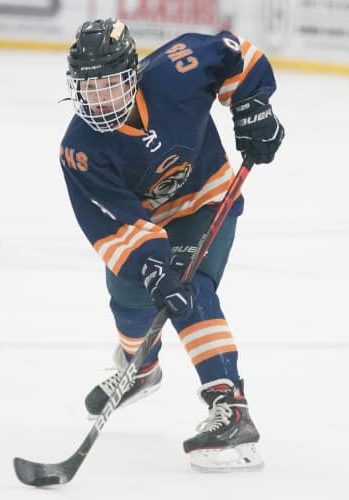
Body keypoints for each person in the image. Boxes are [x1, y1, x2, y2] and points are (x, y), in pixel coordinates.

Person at [59, 17, 284, 472]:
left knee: (190, 288)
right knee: (127, 297)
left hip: (206, 200)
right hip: (148, 222)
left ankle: (231, 407)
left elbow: (237, 55)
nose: (98, 98)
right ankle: (140, 368)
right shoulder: (79, 149)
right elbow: (113, 223)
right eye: (88, 87)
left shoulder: (176, 69)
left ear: (132, 74)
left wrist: (252, 104)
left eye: (108, 84)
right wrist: (150, 266)